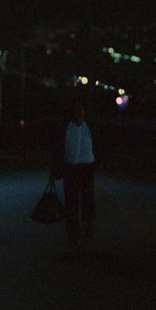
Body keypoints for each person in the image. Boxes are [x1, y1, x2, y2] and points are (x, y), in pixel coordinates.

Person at [55, 98, 96, 249]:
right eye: (76, 110)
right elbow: (58, 148)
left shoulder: (89, 126)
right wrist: (56, 169)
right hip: (70, 168)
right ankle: (73, 234)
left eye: (81, 110)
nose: (79, 113)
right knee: (71, 202)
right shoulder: (65, 127)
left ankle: (87, 222)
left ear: (84, 111)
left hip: (87, 167)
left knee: (87, 198)